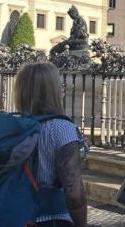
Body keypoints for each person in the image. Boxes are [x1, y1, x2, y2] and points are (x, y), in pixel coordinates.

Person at [14, 62, 90, 227]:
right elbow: (74, 195)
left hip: (17, 218)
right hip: (53, 218)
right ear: (53, 91)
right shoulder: (63, 129)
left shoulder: (14, 127)